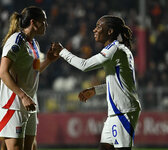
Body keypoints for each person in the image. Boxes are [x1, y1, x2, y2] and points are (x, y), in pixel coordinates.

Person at [52, 15, 141, 150]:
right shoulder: (118, 49)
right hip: (116, 112)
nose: (94, 30)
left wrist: (62, 52)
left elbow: (85, 65)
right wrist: (95, 90)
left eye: (99, 27)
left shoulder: (114, 49)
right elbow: (118, 83)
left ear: (110, 31)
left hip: (123, 111)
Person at [0, 6, 58, 150]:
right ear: (33, 23)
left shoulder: (34, 43)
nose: (46, 25)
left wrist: (48, 60)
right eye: (43, 21)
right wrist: (23, 96)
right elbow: (3, 72)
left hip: (29, 104)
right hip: (13, 105)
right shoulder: (16, 40)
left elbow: (35, 71)